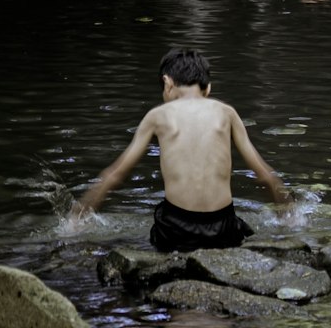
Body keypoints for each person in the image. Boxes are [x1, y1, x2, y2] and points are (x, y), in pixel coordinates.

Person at [70, 48, 290, 252]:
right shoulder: (227, 113)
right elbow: (264, 174)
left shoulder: (158, 115)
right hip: (222, 229)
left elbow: (115, 174)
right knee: (242, 229)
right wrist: (287, 215)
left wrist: (78, 216)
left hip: (177, 231)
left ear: (167, 83)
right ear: (208, 89)